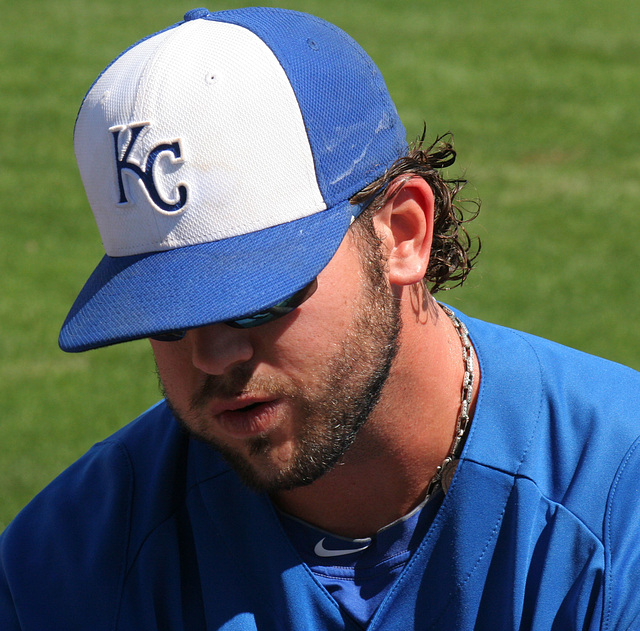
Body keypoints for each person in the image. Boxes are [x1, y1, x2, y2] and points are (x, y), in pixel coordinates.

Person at [1, 6, 639, 630]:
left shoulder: (617, 496)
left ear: (402, 233)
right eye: (164, 315)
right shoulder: (66, 566)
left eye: (257, 297)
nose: (210, 355)